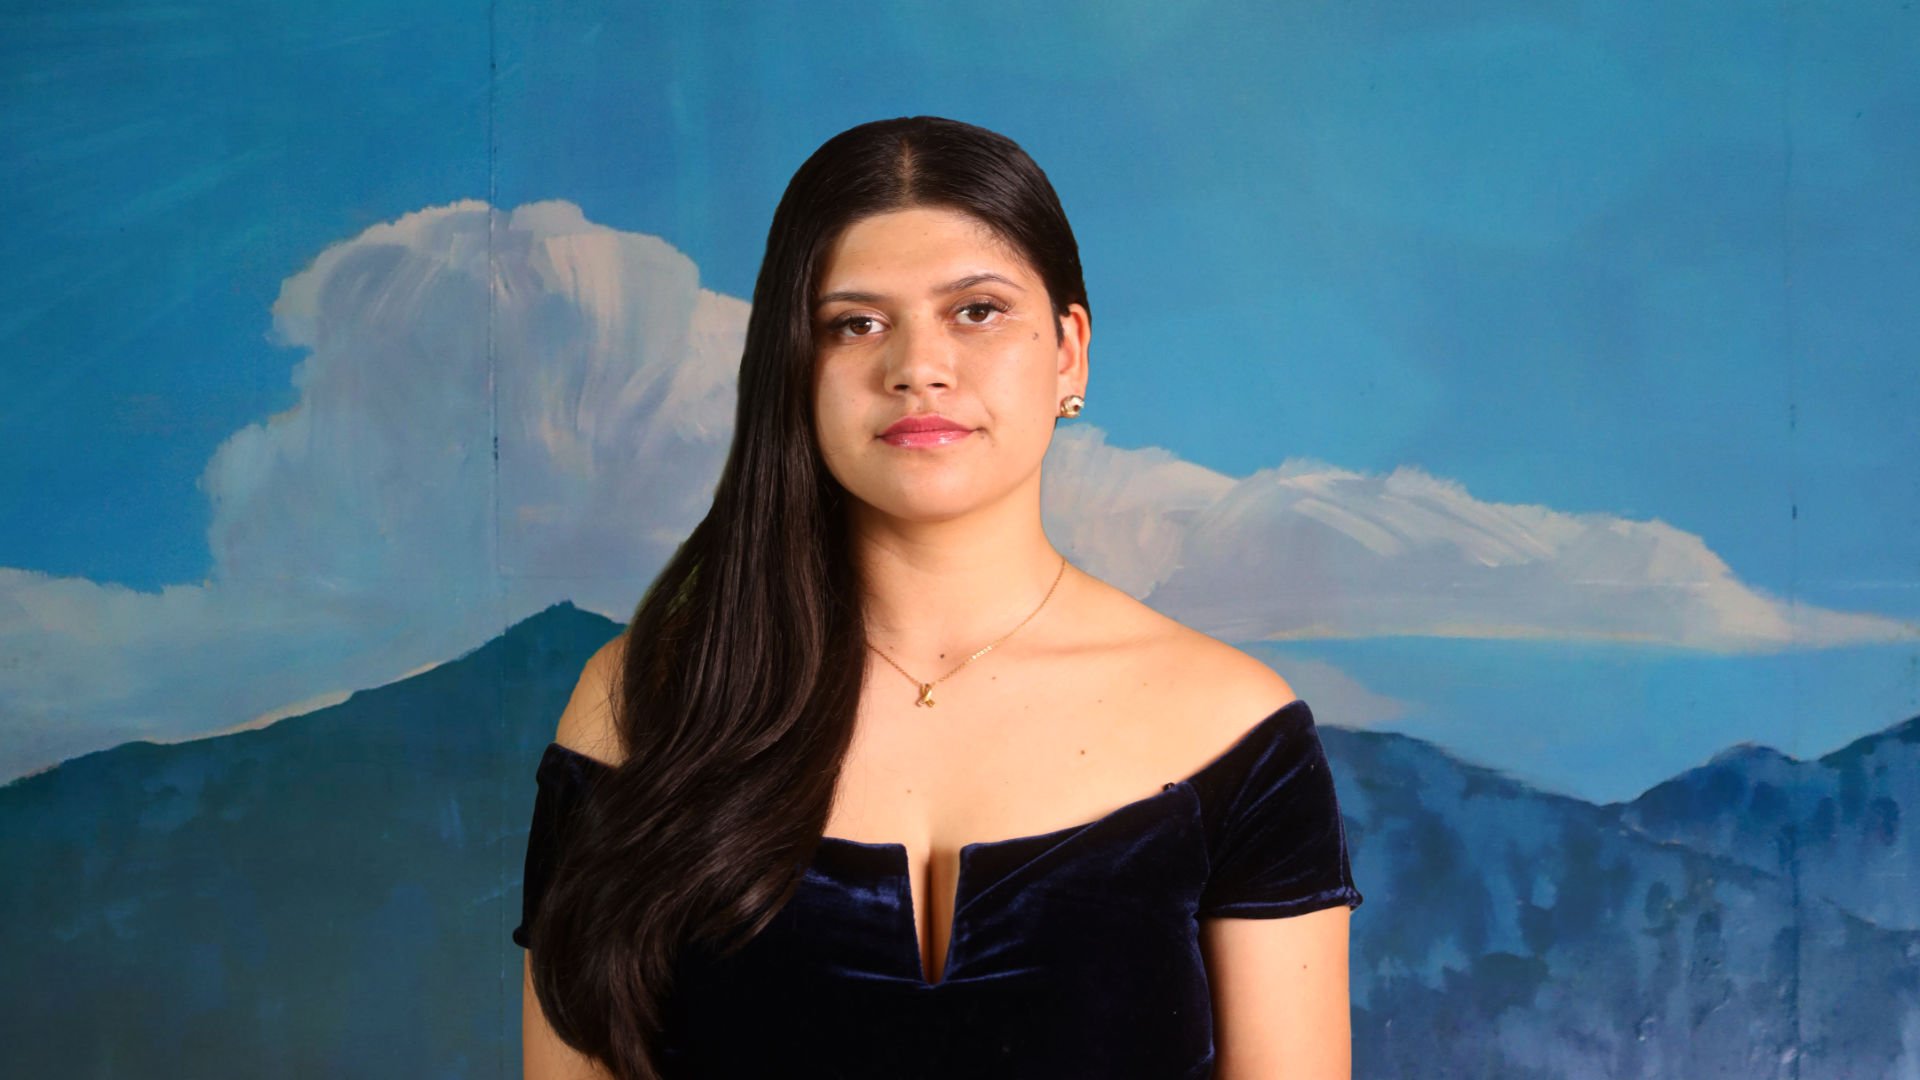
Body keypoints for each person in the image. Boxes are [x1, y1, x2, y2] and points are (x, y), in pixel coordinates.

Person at [515, 115, 1362, 1079]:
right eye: (855, 323)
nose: (916, 365)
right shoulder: (640, 705)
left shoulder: (1237, 731)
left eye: (977, 311)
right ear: (793, 370)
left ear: (1069, 353)